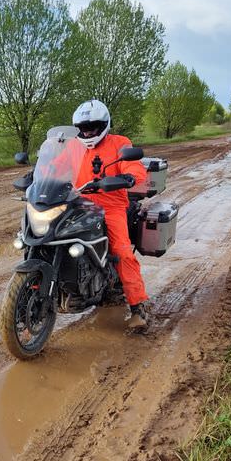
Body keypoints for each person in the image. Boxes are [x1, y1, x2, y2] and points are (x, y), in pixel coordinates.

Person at [56, 100, 150, 329]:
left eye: (93, 126)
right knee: (53, 235)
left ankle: (139, 308)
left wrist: (128, 178)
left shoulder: (120, 143)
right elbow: (56, 167)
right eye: (83, 127)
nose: (87, 131)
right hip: (77, 204)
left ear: (104, 125)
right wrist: (37, 175)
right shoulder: (73, 146)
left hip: (111, 207)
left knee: (122, 253)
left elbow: (134, 167)